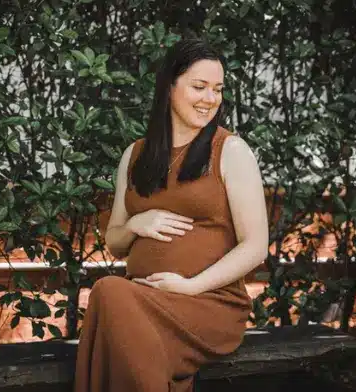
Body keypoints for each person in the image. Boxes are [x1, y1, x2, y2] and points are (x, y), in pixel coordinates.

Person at [73, 39, 269, 392]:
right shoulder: (134, 156)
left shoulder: (230, 150)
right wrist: (135, 224)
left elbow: (255, 246)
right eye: (199, 87)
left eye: (218, 89)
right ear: (169, 87)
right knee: (113, 297)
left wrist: (191, 286)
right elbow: (115, 243)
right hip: (146, 303)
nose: (210, 99)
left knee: (109, 293)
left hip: (207, 304)